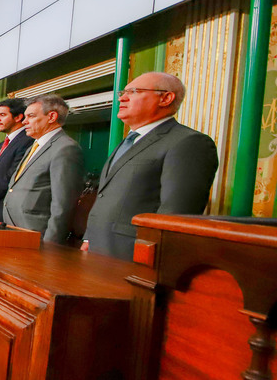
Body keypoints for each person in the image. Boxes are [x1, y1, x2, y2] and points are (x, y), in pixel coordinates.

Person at [83, 72, 219, 260]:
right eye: (123, 92)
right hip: (98, 251)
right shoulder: (129, 141)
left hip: (133, 256)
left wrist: (147, 258)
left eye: (134, 91)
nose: (122, 98)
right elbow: (107, 196)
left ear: (165, 98)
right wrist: (89, 238)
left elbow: (174, 215)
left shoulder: (188, 142)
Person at [3, 94, 85, 244]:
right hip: (15, 230)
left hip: (38, 236)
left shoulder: (65, 148)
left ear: (52, 116)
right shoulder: (35, 145)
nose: (24, 121)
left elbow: (63, 204)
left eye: (31, 116)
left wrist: (51, 244)